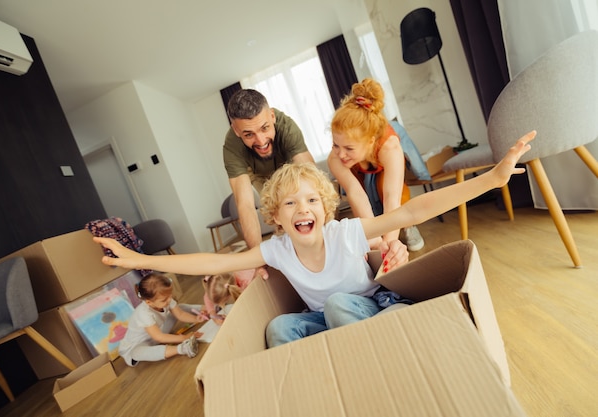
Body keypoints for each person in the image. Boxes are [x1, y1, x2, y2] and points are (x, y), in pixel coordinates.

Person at [95, 130, 534, 348]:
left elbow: (412, 210)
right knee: (279, 326)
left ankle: (392, 350)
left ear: (324, 209)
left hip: (373, 311)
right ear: (277, 220)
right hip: (329, 328)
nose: (302, 209)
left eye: (310, 201)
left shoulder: (345, 233)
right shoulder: (276, 249)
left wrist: (491, 181)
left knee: (342, 303)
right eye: (289, 205)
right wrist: (135, 259)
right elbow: (209, 264)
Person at [329, 78, 424, 268]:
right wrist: (376, 244)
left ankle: (408, 227)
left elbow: (391, 199)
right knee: (365, 205)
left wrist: (390, 245)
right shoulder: (337, 158)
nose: (340, 154)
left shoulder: (390, 146)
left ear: (371, 142)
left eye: (348, 148)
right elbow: (357, 195)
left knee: (383, 189)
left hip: (381, 162)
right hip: (359, 167)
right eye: (335, 145)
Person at [223, 88, 315, 278]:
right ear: (236, 130)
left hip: (288, 164)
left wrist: (330, 236)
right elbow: (246, 205)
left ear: (272, 116)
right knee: (278, 212)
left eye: (264, 128)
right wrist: (258, 262)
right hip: (257, 173)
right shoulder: (231, 147)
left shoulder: (287, 127)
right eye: (249, 134)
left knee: (300, 199)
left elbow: (314, 182)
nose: (261, 140)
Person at [118, 272, 206, 366]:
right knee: (136, 353)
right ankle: (182, 349)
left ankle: (206, 308)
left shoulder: (166, 299)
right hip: (139, 344)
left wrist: (196, 319)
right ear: (149, 302)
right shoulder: (143, 314)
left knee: (179, 307)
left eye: (170, 296)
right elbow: (159, 337)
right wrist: (184, 338)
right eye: (164, 300)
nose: (169, 300)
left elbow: (180, 314)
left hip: (157, 333)